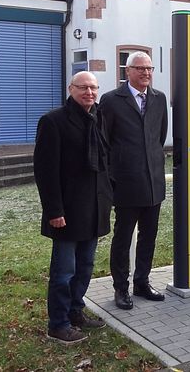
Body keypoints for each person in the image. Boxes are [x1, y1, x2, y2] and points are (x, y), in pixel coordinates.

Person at [33, 71, 112, 344]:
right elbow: (45, 172)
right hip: (66, 212)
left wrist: (107, 200)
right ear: (71, 89)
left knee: (85, 266)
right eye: (83, 88)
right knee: (64, 272)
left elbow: (103, 164)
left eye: (93, 88)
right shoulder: (53, 122)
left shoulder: (97, 117)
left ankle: (76, 312)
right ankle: (58, 324)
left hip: (93, 209)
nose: (89, 92)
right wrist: (54, 211)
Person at [99, 51, 168, 309]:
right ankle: (121, 288)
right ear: (127, 72)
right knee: (123, 237)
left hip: (153, 183)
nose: (146, 73)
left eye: (149, 69)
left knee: (149, 235)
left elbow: (158, 138)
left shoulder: (159, 99)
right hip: (125, 182)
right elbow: (104, 143)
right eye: (140, 69)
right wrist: (112, 177)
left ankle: (142, 283)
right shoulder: (111, 101)